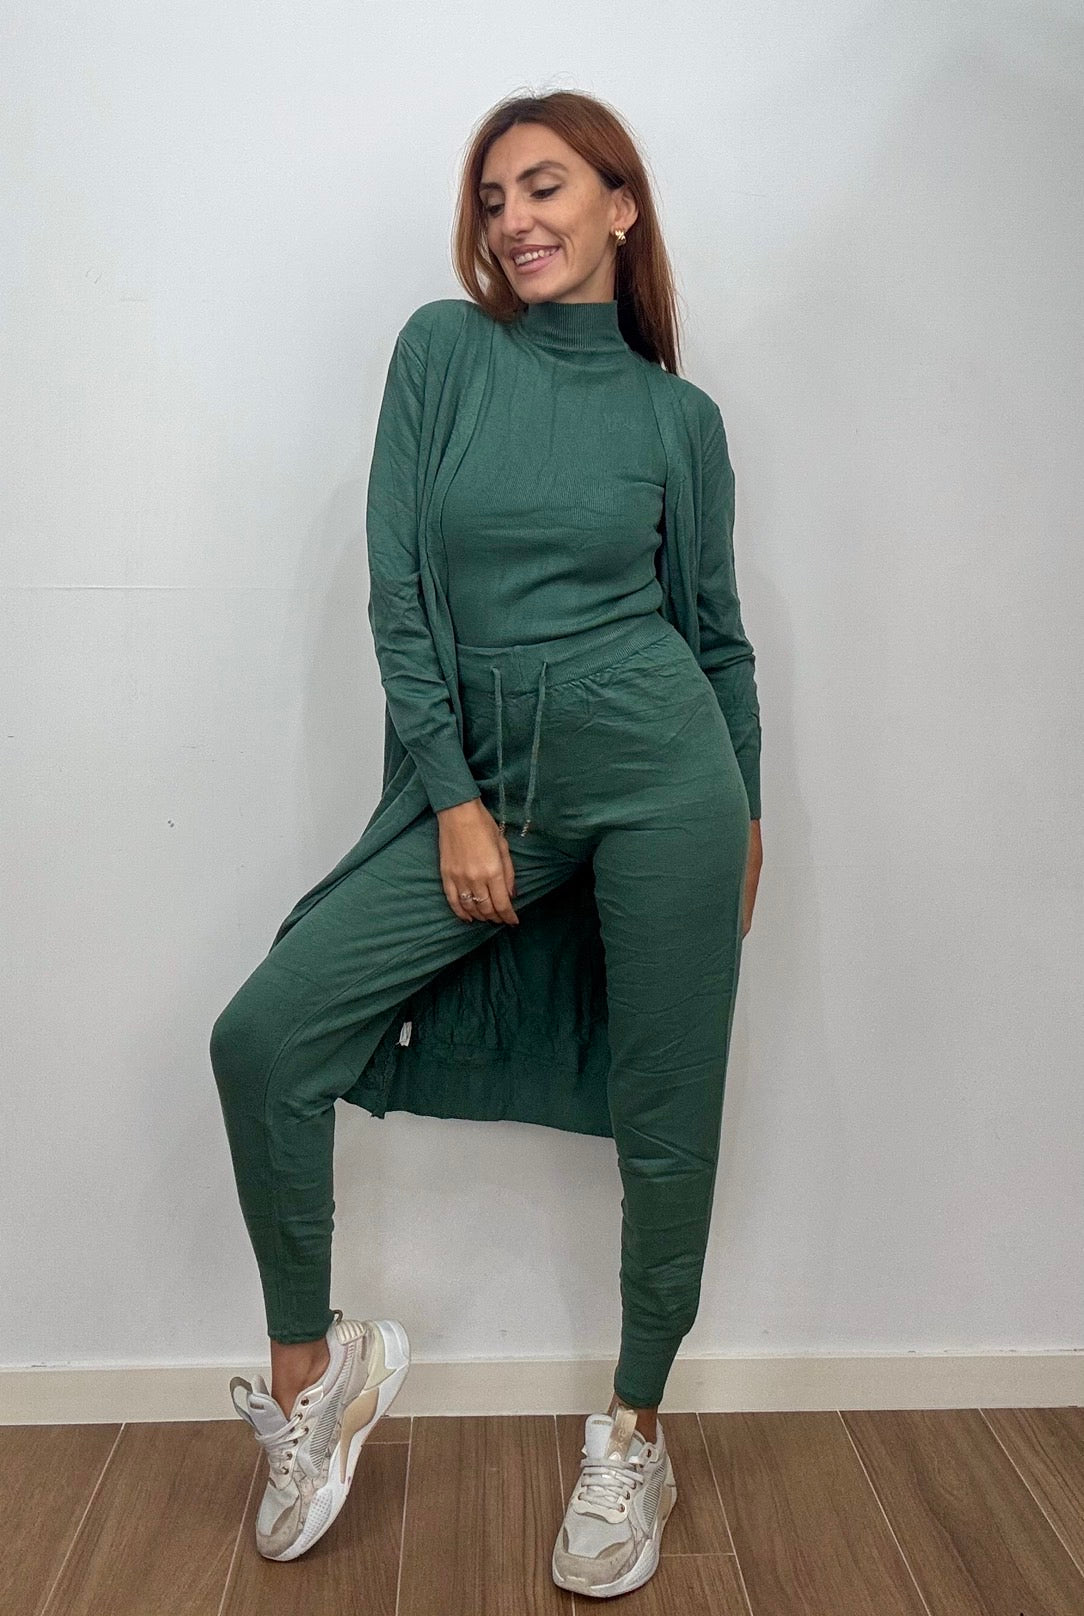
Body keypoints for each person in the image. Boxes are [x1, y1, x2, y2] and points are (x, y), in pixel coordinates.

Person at [211, 87, 763, 1598]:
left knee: (671, 1116)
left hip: (666, 779)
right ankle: (315, 1381)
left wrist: (749, 812)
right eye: (493, 198)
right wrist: (455, 799)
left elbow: (717, 637)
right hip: (489, 791)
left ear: (620, 206)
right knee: (265, 1036)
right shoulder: (444, 353)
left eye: (546, 187)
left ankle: (633, 1432)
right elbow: (398, 592)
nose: (514, 219)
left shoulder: (679, 421)